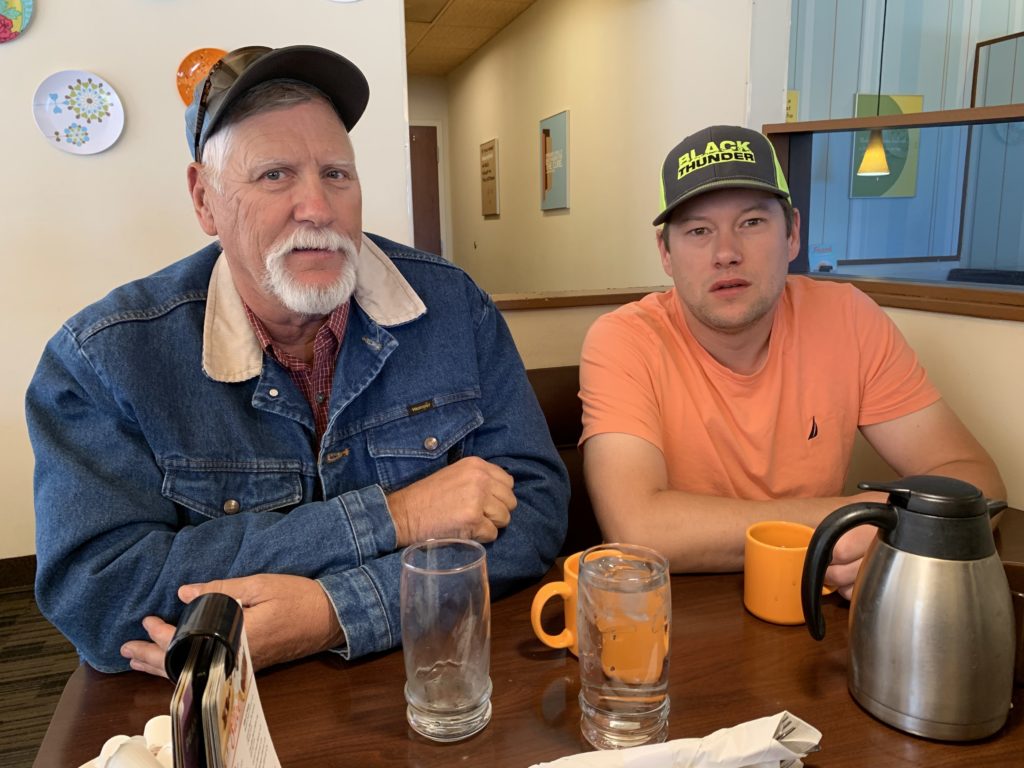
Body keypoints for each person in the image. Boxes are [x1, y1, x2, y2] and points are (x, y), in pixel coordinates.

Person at [26, 45, 568, 675]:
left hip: (433, 680)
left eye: (337, 174)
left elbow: (532, 509)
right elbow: (102, 596)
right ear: (204, 200)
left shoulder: (452, 306)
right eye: (274, 175)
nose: (318, 207)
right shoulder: (103, 358)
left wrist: (332, 611)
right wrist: (396, 517)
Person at [579, 124, 1005, 596]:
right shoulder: (624, 340)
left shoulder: (848, 317)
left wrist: (885, 534)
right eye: (699, 230)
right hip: (673, 620)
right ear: (666, 252)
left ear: (792, 235)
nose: (726, 253)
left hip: (819, 606)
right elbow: (639, 529)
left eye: (752, 223)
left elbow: (976, 480)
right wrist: (861, 520)